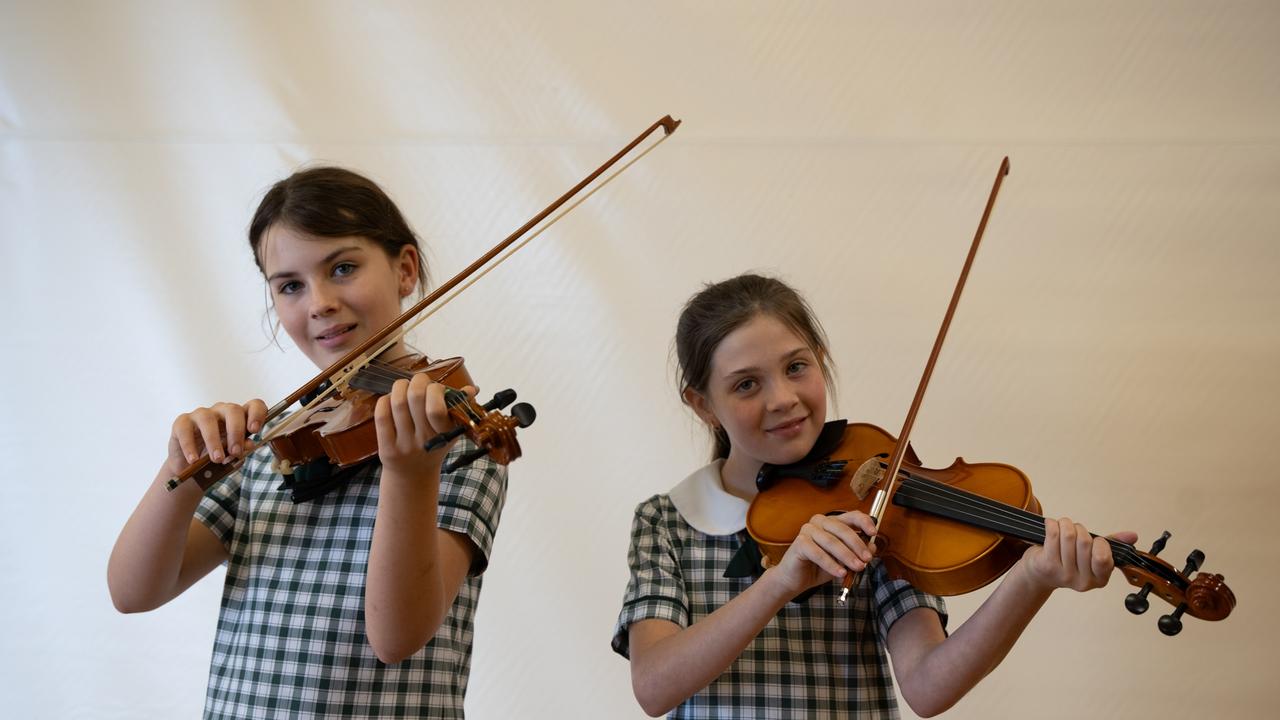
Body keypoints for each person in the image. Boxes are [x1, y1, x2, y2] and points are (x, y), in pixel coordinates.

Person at [611, 273, 1136, 718]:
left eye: (797, 367)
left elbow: (929, 685)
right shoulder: (668, 520)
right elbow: (654, 686)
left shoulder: (878, 499)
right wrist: (779, 583)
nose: (783, 399)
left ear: (820, 358)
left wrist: (1031, 578)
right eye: (746, 385)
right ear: (702, 403)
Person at [108, 167, 507, 719]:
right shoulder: (280, 442)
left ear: (405, 270)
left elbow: (395, 638)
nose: (318, 302)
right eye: (290, 285)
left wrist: (410, 475)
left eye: (342, 268)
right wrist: (179, 474)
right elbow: (134, 592)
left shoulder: (456, 441)